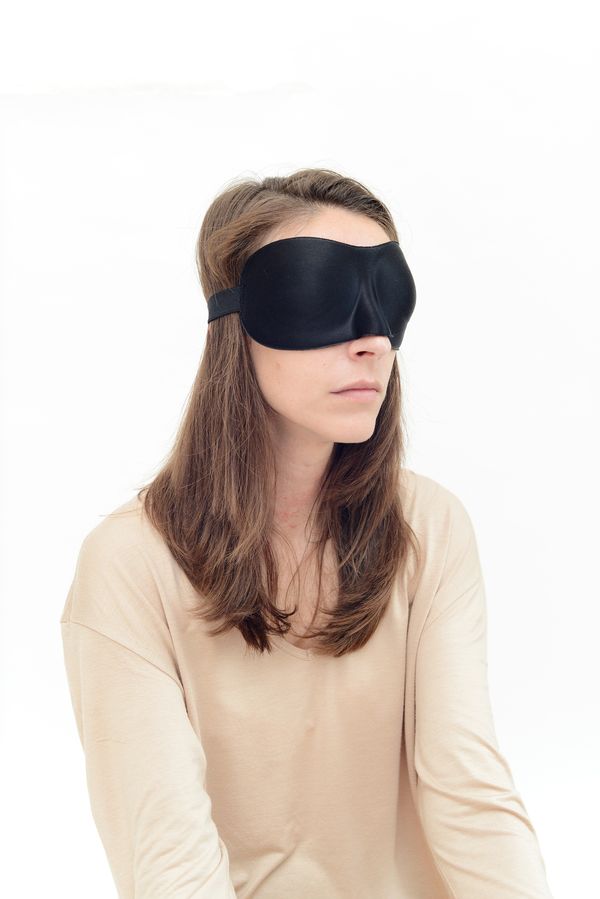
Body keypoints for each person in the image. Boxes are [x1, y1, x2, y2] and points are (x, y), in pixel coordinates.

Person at [59, 168, 554, 898]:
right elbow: (168, 857)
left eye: (388, 297)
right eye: (321, 293)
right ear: (237, 325)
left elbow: (468, 788)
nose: (372, 340)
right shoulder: (130, 564)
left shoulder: (429, 527)